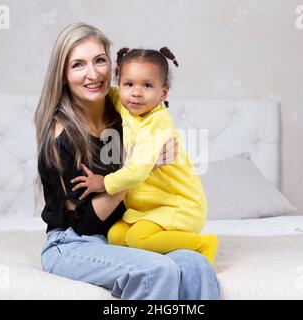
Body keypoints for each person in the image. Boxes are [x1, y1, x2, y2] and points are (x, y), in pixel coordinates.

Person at [35, 22, 221, 299]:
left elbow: (154, 106)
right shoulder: (61, 136)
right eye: (78, 65)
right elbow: (85, 224)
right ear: (62, 75)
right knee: (156, 270)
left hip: (119, 234)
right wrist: (144, 168)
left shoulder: (125, 112)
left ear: (113, 66)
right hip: (73, 242)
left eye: (99, 60)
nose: (93, 73)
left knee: (194, 264)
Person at [71, 47, 218, 265]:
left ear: (163, 93)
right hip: (147, 208)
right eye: (129, 84)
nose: (136, 92)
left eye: (147, 85)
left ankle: (203, 244)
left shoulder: (157, 123)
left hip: (179, 206)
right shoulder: (127, 105)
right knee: (116, 237)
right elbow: (104, 91)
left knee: (138, 238)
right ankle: (153, 257)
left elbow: (137, 171)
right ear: (120, 85)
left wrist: (103, 182)